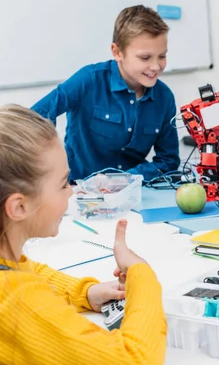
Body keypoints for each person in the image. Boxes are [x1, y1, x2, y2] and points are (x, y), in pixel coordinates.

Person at [0, 105, 166, 364]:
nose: (72, 192)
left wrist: (84, 292)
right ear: (19, 207)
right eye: (64, 183)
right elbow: (133, 359)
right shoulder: (17, 302)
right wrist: (141, 275)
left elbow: (26, 271)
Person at [32, 5, 180, 181]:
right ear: (117, 52)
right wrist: (53, 168)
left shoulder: (164, 98)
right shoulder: (89, 80)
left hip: (131, 194)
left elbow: (168, 161)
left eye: (162, 56)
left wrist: (125, 178)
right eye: (145, 58)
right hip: (78, 191)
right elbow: (33, 117)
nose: (156, 66)